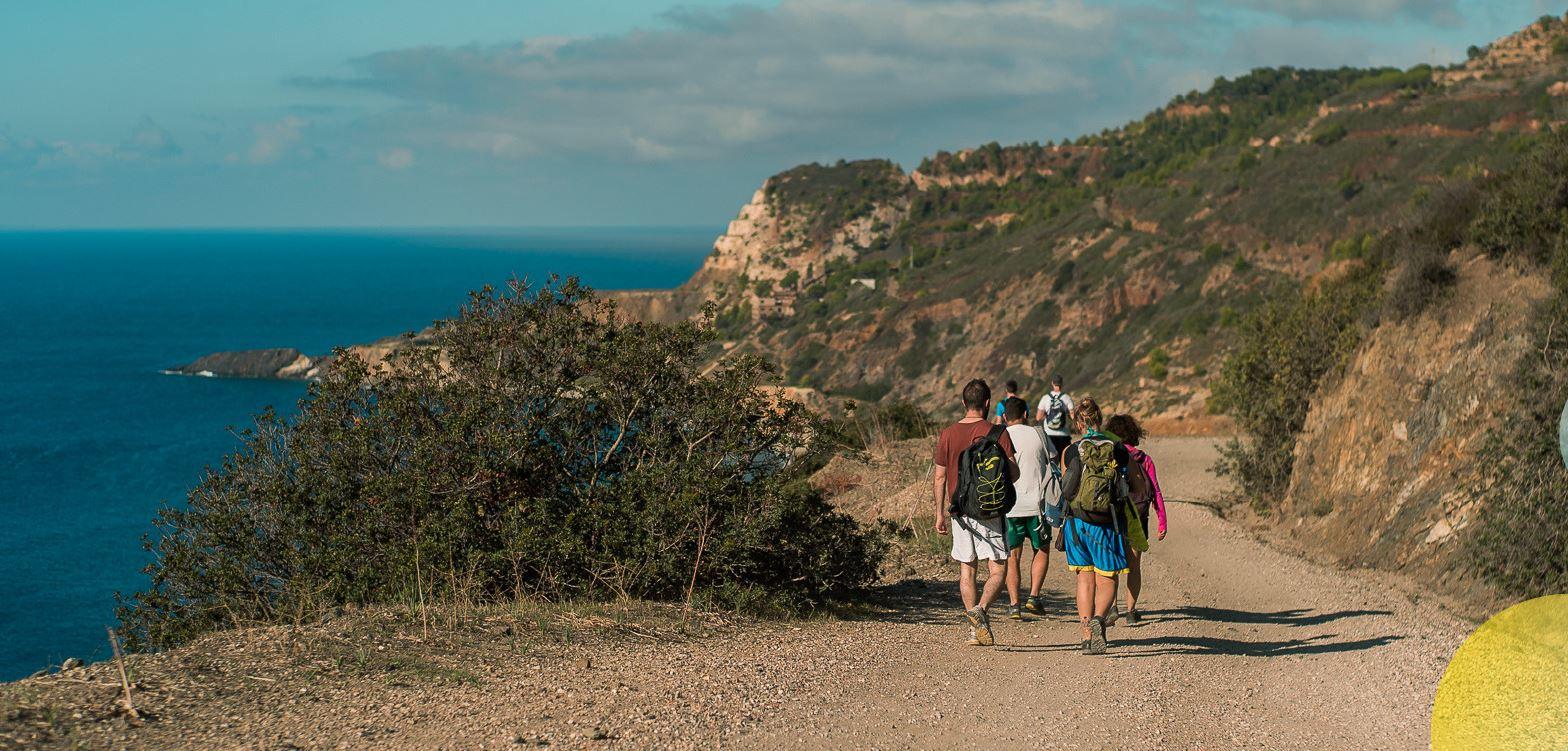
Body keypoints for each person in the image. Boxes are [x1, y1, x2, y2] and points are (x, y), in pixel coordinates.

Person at [935, 379, 1020, 646]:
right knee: (998, 570)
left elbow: (939, 478)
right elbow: (1014, 473)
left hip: (960, 512)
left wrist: (939, 514)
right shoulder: (997, 432)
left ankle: (974, 630)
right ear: (987, 403)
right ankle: (981, 611)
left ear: (963, 403)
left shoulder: (947, 434)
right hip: (990, 510)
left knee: (966, 570)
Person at [1059, 396, 1131, 655]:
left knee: (1085, 580)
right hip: (1107, 523)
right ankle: (1101, 619)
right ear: (1099, 420)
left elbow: (1066, 488)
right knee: (1107, 579)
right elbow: (1131, 485)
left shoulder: (1070, 451)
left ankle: (1087, 635)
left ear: (1078, 424)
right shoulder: (1117, 448)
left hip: (1077, 525)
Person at [1104, 413, 1167, 625]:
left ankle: (1111, 607)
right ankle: (1130, 611)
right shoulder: (1144, 459)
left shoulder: (1108, 455)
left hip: (1112, 515)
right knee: (1134, 564)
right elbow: (1155, 491)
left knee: (1110, 564)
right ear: (1134, 433)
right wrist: (1162, 522)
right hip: (1138, 515)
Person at [1000, 396, 1059, 620]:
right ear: (1025, 413)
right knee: (1042, 549)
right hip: (1038, 506)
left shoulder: (1000, 436)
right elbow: (1053, 458)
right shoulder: (1038, 433)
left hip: (1010, 507)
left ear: (1005, 416)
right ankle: (1034, 597)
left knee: (1012, 556)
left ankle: (1015, 604)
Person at [1035, 375, 1075, 458]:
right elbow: (1073, 417)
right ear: (1062, 384)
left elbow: (1038, 417)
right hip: (1064, 435)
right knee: (1064, 460)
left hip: (1049, 434)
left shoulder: (1045, 398)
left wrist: (1047, 416)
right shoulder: (1067, 398)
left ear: (1052, 383)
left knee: (1051, 461)